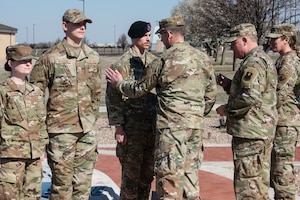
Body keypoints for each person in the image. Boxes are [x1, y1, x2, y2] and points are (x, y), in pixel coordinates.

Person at [106, 15, 217, 199]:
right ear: (135, 38)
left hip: (165, 130)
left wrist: (119, 83)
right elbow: (210, 95)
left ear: (169, 34)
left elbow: (139, 88)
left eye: (156, 35)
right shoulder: (202, 58)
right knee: (184, 179)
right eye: (146, 35)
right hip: (137, 129)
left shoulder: (160, 60)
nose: (152, 39)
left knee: (168, 180)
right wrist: (194, 116)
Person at [29, 8, 102, 199]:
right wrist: (40, 132)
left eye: (84, 23)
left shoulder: (93, 57)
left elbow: (96, 93)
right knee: (62, 187)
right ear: (65, 26)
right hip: (61, 132)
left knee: (83, 185)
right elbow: (34, 97)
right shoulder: (50, 58)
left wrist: (92, 120)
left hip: (87, 131)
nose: (82, 27)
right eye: (77, 23)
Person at [215, 23, 278, 199]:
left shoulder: (254, 62)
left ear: (244, 40)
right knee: (258, 185)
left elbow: (250, 97)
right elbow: (254, 93)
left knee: (249, 188)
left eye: (233, 43)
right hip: (258, 132)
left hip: (251, 134)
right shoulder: (261, 59)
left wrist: (226, 109)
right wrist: (229, 85)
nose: (231, 48)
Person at [105, 21, 157, 200]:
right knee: (130, 179)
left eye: (150, 36)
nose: (148, 39)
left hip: (152, 128)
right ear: (134, 38)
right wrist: (118, 126)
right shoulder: (121, 65)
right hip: (132, 129)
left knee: (147, 178)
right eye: (144, 36)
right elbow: (113, 99)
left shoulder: (155, 62)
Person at [0, 44, 48, 199]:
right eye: (22, 61)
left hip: (34, 156)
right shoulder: (3, 91)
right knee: (10, 196)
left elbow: (41, 121)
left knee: (33, 196)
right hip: (10, 156)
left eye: (29, 60)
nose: (28, 64)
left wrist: (41, 148)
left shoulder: (36, 92)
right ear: (10, 63)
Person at [266, 24, 300, 200]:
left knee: (282, 168)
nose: (271, 41)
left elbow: (278, 94)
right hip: (281, 121)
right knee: (277, 167)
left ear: (286, 39)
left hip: (285, 123)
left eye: (274, 38)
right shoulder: (282, 59)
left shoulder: (289, 62)